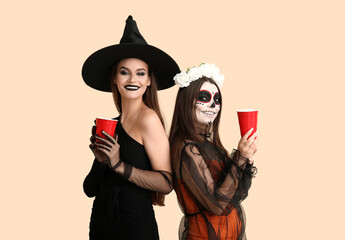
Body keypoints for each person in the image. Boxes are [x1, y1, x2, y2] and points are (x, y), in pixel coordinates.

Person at [81, 16, 180, 240]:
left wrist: (118, 165)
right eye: (124, 72)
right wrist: (102, 160)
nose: (132, 79)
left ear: (148, 80)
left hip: (135, 228)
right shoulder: (112, 125)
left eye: (140, 73)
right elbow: (89, 189)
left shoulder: (149, 120)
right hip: (100, 226)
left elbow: (166, 183)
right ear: (114, 78)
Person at [169, 63, 258, 240]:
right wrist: (239, 161)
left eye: (217, 99)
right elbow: (216, 205)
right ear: (187, 101)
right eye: (204, 97)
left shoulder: (209, 145)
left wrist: (244, 161)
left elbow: (233, 195)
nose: (213, 105)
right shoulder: (187, 149)